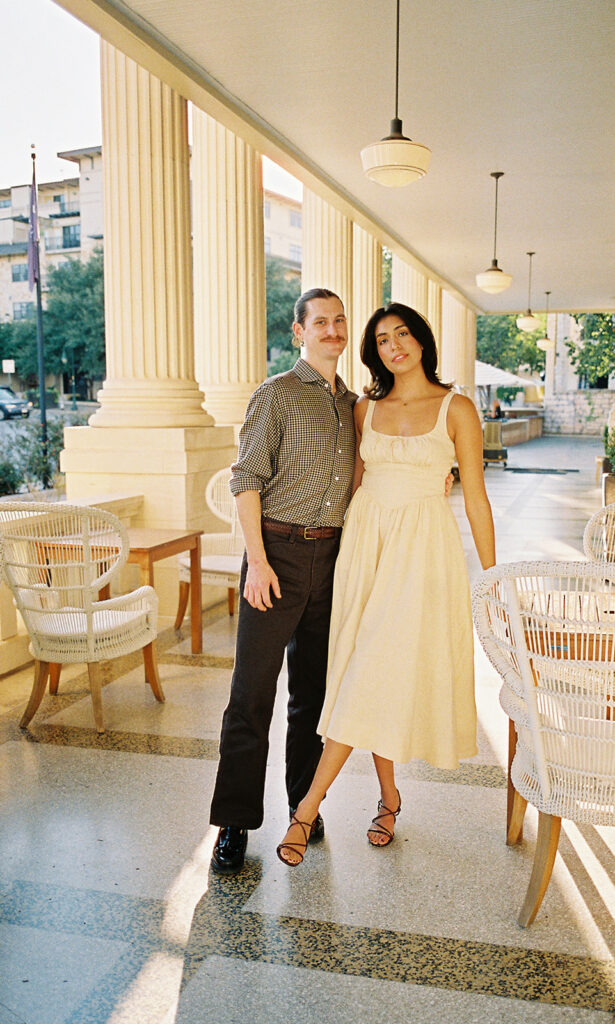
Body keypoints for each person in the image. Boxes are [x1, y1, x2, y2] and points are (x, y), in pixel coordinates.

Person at [276, 302, 496, 866]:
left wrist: (494, 580)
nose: (394, 345)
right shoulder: (364, 409)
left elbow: (473, 495)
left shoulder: (457, 409)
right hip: (364, 546)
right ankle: (389, 797)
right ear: (374, 350)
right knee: (365, 668)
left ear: (421, 340)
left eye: (403, 334)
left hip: (422, 551)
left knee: (373, 669)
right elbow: (349, 483)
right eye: (382, 339)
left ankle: (305, 809)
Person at [209, 287, 357, 875]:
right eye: (319, 321)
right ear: (299, 331)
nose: (331, 329)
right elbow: (245, 480)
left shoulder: (354, 403)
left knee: (312, 697)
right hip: (279, 556)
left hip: (333, 560)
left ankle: (304, 807)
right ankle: (234, 823)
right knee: (251, 696)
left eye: (339, 320)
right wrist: (259, 561)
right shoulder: (276, 394)